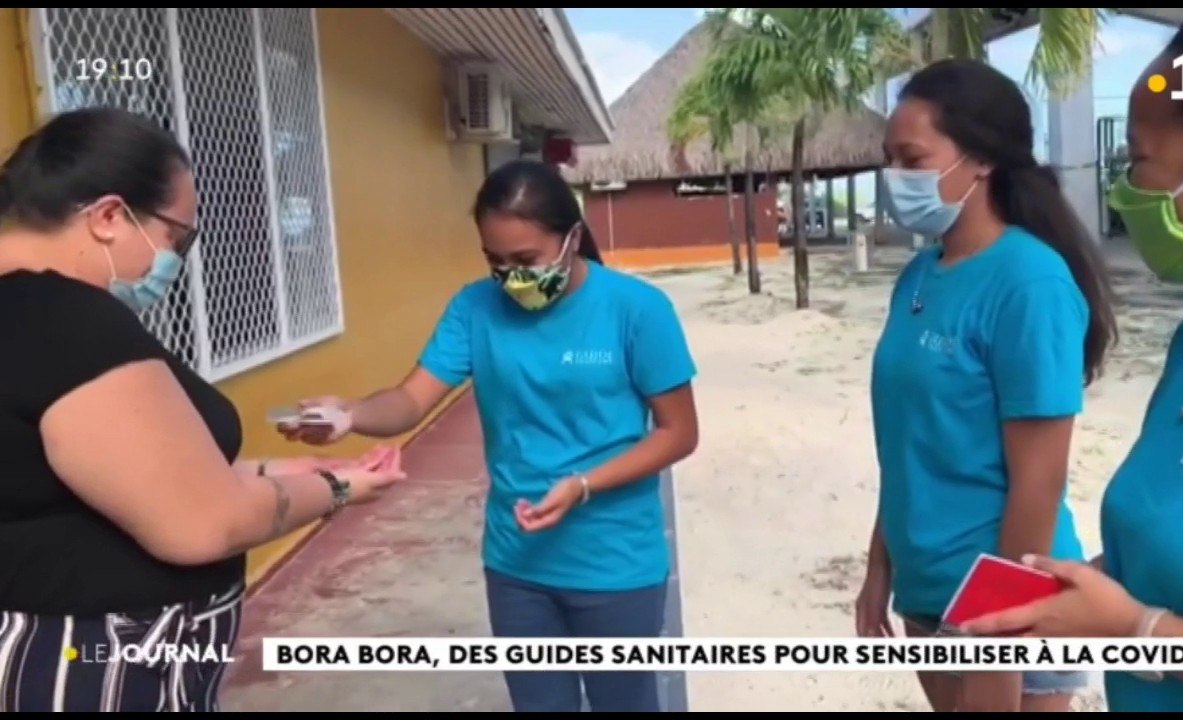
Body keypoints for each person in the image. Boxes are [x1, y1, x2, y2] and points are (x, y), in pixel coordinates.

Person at [0, 107, 405, 712]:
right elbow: (202, 524)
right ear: (109, 217)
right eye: (175, 237)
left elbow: (106, 483)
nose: (173, 262)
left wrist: (266, 474)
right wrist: (338, 487)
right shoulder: (65, 322)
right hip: (92, 664)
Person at [278, 159, 700, 713]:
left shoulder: (637, 310)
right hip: (517, 564)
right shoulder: (475, 307)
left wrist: (583, 485)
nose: (511, 278)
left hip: (615, 563)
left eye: (526, 260)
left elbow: (679, 434)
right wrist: (350, 413)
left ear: (573, 237)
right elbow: (409, 400)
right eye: (495, 262)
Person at [959, 8, 1183, 713]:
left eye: (1136, 163)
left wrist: (1136, 630)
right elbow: (1172, 554)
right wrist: (1066, 594)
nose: (1121, 192)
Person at [855, 58, 1119, 712]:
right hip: (927, 591)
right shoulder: (917, 277)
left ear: (980, 161)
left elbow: (1039, 481)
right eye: (889, 158)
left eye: (912, 157)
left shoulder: (1030, 283)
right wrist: (879, 567)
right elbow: (906, 442)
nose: (896, 177)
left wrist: (998, 642)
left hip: (1008, 612)